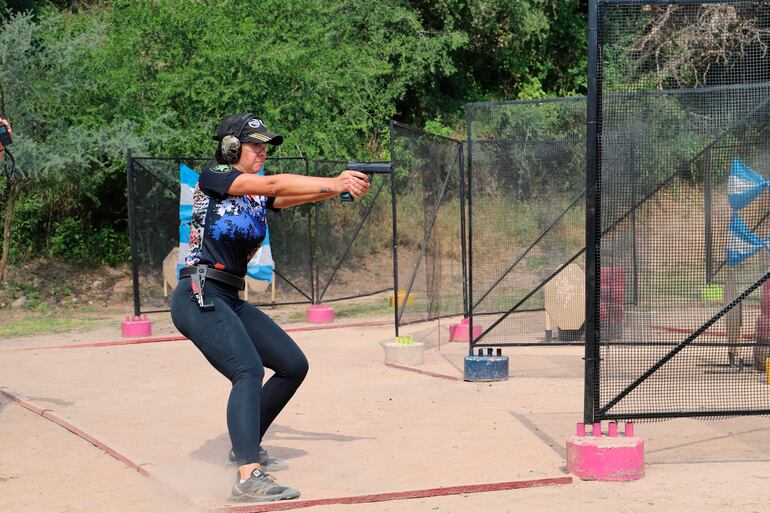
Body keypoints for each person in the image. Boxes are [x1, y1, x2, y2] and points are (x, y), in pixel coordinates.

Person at [170, 113, 370, 503]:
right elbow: (276, 183)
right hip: (198, 289)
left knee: (293, 365)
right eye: (254, 145)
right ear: (231, 148)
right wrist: (335, 180)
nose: (263, 151)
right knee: (247, 369)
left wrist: (337, 190)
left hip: (227, 294)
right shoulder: (216, 176)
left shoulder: (257, 194)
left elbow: (292, 194)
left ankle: (245, 442)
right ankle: (247, 475)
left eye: (265, 145)